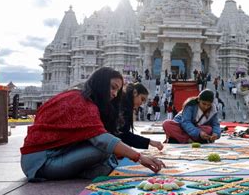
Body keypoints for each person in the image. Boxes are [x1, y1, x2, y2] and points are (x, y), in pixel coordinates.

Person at [20, 67, 165, 181]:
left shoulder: (78, 97)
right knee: (106, 149)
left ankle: (87, 170)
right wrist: (139, 157)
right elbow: (102, 139)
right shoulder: (82, 103)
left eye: (117, 90)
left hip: (50, 155)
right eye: (113, 87)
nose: (115, 94)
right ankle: (87, 171)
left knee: (109, 152)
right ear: (100, 83)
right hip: (41, 163)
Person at [116, 83, 163, 150]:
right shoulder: (123, 107)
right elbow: (125, 136)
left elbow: (125, 134)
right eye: (142, 99)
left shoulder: (125, 105)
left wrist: (149, 142)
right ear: (135, 93)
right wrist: (149, 142)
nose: (142, 103)